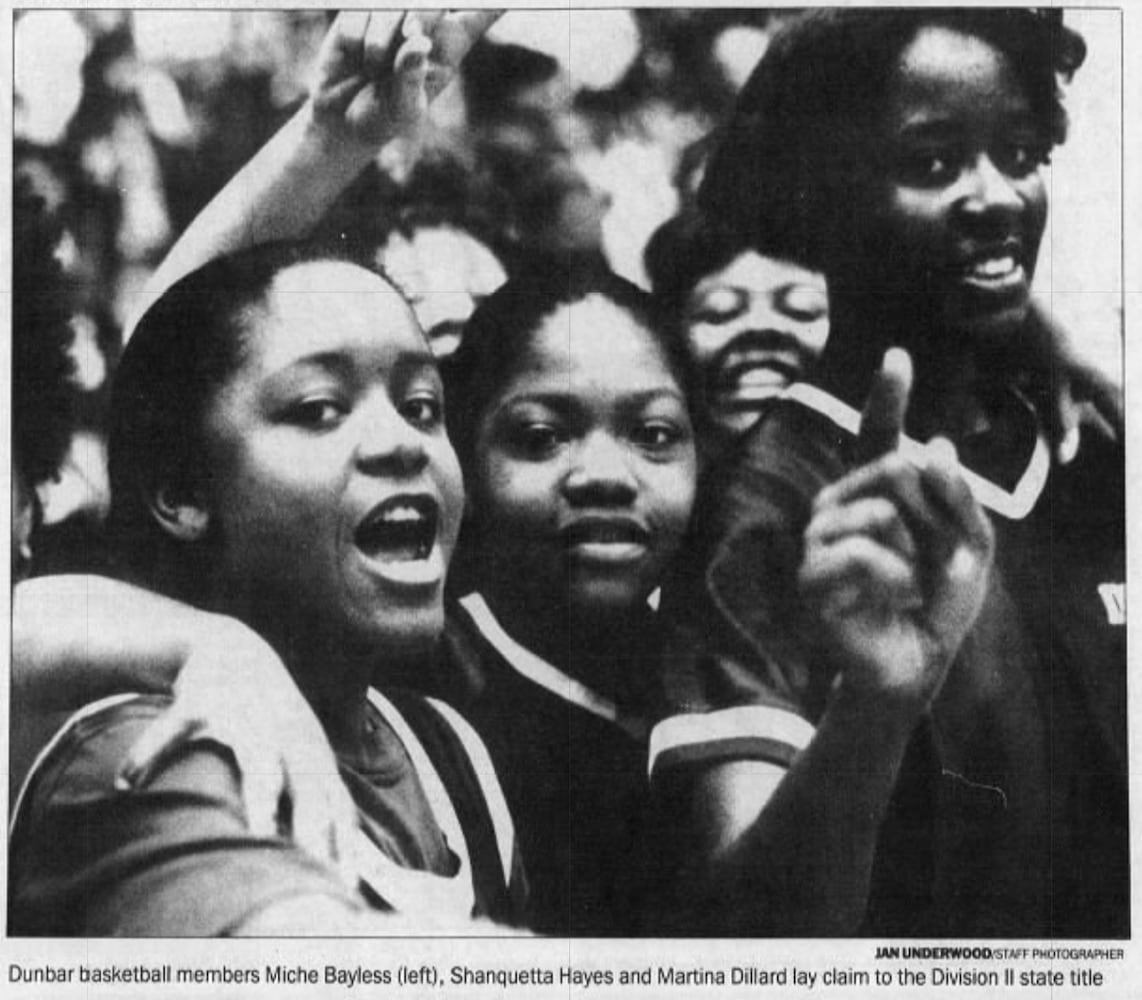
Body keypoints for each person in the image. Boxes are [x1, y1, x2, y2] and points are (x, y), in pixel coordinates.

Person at [655, 7, 1126, 937]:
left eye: (1022, 155)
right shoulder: (768, 502)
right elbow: (745, 944)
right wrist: (877, 703)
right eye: (933, 164)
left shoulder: (1086, 446)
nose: (996, 196)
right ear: (822, 195)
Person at [9, 243, 525, 936]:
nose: (403, 443)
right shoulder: (141, 748)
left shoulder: (448, 748)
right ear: (184, 494)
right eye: (319, 408)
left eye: (422, 405)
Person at [432, 259, 699, 933]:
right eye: (543, 438)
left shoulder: (720, 672)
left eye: (655, 435)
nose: (606, 475)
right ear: (466, 456)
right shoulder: (429, 679)